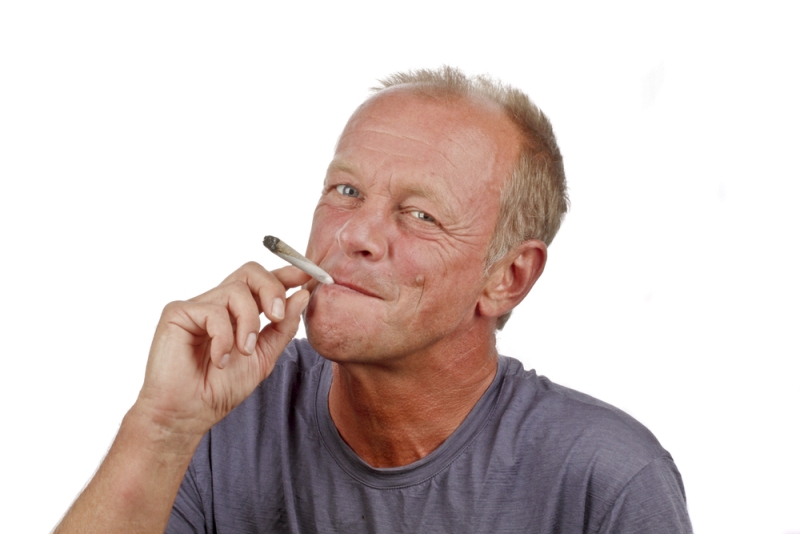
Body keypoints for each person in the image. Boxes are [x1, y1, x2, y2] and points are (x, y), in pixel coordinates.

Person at [55, 66, 693, 533]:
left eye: (418, 214)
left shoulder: (606, 481)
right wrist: (162, 427)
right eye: (345, 191)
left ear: (507, 278)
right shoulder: (226, 417)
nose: (353, 234)